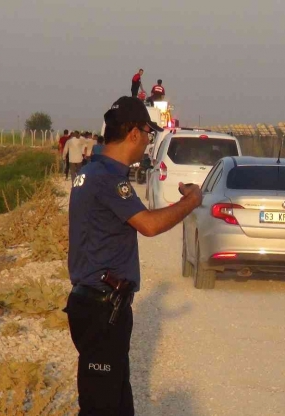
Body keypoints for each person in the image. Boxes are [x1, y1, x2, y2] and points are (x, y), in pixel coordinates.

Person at [64, 96, 203, 415]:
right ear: (135, 133)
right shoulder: (109, 178)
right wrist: (192, 201)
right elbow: (149, 225)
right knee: (102, 406)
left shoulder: (92, 170)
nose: (149, 142)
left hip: (95, 303)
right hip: (101, 307)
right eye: (149, 134)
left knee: (118, 403)